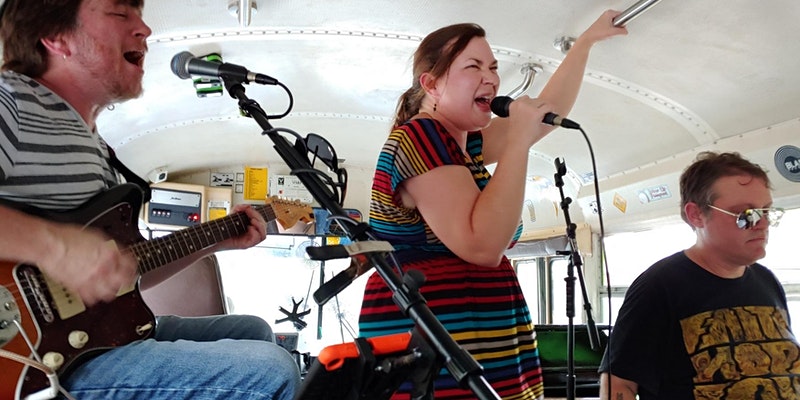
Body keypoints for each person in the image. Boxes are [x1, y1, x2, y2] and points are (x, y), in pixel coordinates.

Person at [0, 0, 299, 399]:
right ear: (56, 38)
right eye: (120, 14)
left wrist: (216, 240)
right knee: (269, 371)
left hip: (90, 339)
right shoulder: (12, 101)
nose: (145, 29)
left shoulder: (97, 145)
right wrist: (55, 247)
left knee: (256, 332)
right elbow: (65, 254)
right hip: (32, 362)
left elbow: (126, 274)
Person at [357, 10, 627, 399]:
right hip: (439, 347)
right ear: (430, 84)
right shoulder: (420, 137)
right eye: (474, 66)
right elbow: (481, 246)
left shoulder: (462, 143)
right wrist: (518, 140)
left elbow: (547, 115)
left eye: (494, 67)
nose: (492, 78)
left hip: (477, 338)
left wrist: (585, 42)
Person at [599, 151, 799, 399]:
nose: (763, 224)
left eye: (767, 212)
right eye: (745, 215)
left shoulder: (767, 282)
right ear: (696, 214)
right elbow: (620, 383)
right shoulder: (659, 286)